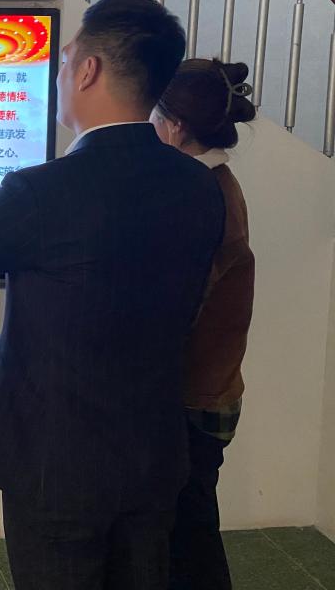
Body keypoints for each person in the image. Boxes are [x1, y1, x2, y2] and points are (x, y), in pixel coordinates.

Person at [0, 0, 226, 590]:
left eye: (66, 57)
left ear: (88, 70)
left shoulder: (42, 191)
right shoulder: (200, 188)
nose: (59, 72)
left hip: (57, 467)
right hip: (155, 458)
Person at [150, 59, 256, 590]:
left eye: (153, 116)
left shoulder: (204, 196)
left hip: (195, 397)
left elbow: (178, 304)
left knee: (189, 536)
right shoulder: (214, 184)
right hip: (207, 390)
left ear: (175, 127)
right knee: (187, 526)